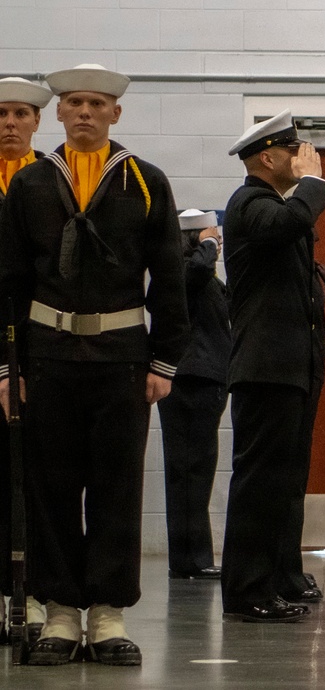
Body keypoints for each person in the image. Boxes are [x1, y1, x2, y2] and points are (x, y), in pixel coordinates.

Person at [0, 63, 189, 665]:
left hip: (122, 359)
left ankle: (108, 616)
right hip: (47, 359)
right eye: (75, 103)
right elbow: (9, 282)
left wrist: (165, 360)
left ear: (116, 113)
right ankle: (59, 613)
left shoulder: (146, 181)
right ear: (57, 112)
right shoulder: (30, 184)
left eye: (97, 104)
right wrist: (8, 368)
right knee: (50, 487)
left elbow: (170, 277)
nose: (85, 112)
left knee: (117, 488)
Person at [220, 109, 325, 623]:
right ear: (267, 158)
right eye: (293, 150)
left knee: (282, 482)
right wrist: (313, 183)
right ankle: (247, 591)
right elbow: (290, 222)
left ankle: (274, 579)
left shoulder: (272, 204)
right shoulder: (250, 203)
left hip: (288, 367)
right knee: (260, 483)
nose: (303, 156)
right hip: (265, 367)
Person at [0, 76, 53, 649]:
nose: (10, 123)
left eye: (20, 113)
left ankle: (32, 593)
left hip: (34, 350)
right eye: (0, 114)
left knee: (37, 477)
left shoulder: (50, 182)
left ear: (38, 121)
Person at [157, 209, 231, 581]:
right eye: (212, 236)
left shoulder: (202, 278)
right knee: (191, 471)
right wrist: (207, 242)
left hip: (201, 379)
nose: (218, 243)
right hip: (193, 380)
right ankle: (193, 558)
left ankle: (189, 557)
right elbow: (198, 269)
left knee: (191, 472)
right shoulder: (185, 272)